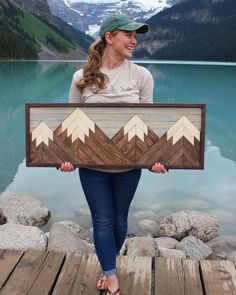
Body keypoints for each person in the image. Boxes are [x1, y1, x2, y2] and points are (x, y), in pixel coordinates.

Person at [60, 14, 166, 295]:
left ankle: (107, 267)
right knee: (102, 219)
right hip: (92, 167)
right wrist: (67, 157)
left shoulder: (142, 75)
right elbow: (72, 123)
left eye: (135, 36)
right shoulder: (80, 78)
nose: (134, 41)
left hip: (129, 166)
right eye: (128, 35)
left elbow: (149, 124)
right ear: (110, 38)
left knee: (120, 219)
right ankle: (112, 278)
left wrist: (155, 158)